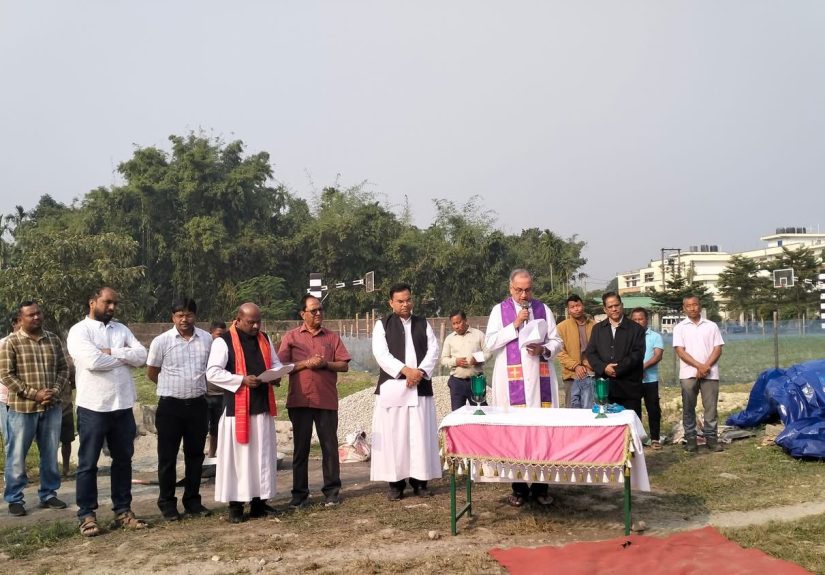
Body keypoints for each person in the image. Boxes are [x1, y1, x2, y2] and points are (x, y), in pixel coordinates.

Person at [67, 287, 149, 537]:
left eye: (115, 303)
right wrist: (126, 358)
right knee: (88, 463)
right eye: (107, 302)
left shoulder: (121, 329)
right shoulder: (79, 331)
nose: (112, 307)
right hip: (93, 405)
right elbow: (92, 362)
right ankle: (87, 515)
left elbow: (142, 355)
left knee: (123, 460)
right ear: (92, 302)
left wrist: (113, 352)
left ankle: (123, 510)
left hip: (122, 405)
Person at [485, 269, 563, 507]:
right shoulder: (499, 311)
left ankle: (541, 487)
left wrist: (544, 350)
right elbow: (489, 343)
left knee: (541, 433)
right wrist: (514, 325)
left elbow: (557, 341)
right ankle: (518, 488)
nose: (523, 294)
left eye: (528, 289)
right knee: (515, 433)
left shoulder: (543, 309)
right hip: (510, 383)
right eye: (519, 290)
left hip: (541, 381)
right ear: (510, 288)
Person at [206, 302, 285, 523]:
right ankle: (236, 507)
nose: (256, 326)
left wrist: (276, 375)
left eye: (259, 321)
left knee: (262, 457)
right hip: (237, 410)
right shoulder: (224, 341)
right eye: (251, 322)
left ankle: (259, 503)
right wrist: (241, 379)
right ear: (238, 319)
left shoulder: (264, 339)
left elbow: (275, 363)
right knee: (238, 460)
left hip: (262, 408)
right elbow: (212, 373)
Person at [277, 294, 351, 509]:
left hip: (325, 400)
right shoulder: (291, 337)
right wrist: (306, 364)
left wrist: (325, 364)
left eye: (320, 309)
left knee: (329, 447)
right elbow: (282, 367)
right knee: (301, 449)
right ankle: (299, 494)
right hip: (299, 400)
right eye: (313, 310)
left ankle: (331, 492)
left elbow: (344, 365)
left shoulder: (331, 337)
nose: (318, 313)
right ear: (302, 314)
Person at [370, 283, 441, 501]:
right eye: (400, 301)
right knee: (396, 436)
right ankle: (396, 484)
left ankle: (420, 482)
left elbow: (434, 350)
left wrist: (419, 372)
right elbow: (381, 354)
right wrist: (405, 371)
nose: (405, 304)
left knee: (420, 435)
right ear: (391, 303)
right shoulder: (382, 325)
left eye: (408, 299)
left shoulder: (423, 323)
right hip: (394, 387)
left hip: (419, 386)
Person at [0, 301, 71, 517]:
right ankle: (14, 498)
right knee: (17, 455)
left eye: (39, 313)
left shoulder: (53, 339)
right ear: (20, 319)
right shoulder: (11, 342)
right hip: (22, 408)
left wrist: (54, 391)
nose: (36, 318)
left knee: (50, 453)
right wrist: (35, 394)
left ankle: (48, 494)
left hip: (51, 407)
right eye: (31, 315)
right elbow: (6, 375)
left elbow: (63, 368)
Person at [146, 298, 213, 521]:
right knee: (167, 457)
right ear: (172, 317)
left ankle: (192, 501)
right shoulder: (161, 341)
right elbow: (152, 372)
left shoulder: (206, 339)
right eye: (179, 315)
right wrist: (172, 387)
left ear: (195, 315)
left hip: (197, 405)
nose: (184, 319)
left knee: (195, 456)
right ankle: (167, 503)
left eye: (188, 314)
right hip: (170, 406)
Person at [673, 295, 725, 453]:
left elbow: (718, 348)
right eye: (688, 306)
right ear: (684, 308)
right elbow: (680, 351)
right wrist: (698, 366)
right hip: (688, 374)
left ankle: (711, 439)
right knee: (689, 407)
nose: (692, 308)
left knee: (710, 408)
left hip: (710, 373)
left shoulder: (711, 326)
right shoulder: (679, 327)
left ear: (699, 306)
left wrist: (706, 366)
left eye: (695, 305)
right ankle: (690, 439)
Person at [585, 292, 645, 419]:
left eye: (616, 305)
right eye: (610, 307)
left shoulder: (636, 329)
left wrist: (617, 369)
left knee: (629, 428)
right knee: (606, 428)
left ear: (622, 305)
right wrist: (604, 367)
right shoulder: (598, 329)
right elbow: (591, 353)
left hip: (629, 389)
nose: (614, 309)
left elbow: (637, 354)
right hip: (605, 389)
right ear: (605, 309)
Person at [440, 310, 489, 411]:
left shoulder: (478, 334)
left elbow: (489, 352)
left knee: (480, 412)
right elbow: (443, 359)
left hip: (476, 381)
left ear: (465, 320)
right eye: (454, 324)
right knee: (457, 414)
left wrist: (478, 359)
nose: (457, 326)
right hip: (457, 382)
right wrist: (455, 362)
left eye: (459, 322)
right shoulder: (449, 339)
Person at [630, 307, 664, 449]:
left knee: (653, 409)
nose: (638, 322)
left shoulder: (655, 336)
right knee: (634, 410)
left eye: (641, 319)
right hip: (633, 380)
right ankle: (637, 438)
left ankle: (655, 438)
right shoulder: (628, 337)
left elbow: (658, 355)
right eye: (635, 319)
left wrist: (642, 367)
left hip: (650, 380)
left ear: (647, 320)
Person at [556, 294, 596, 409]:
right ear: (568, 310)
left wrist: (593, 364)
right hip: (572, 375)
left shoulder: (595, 325)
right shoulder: (561, 327)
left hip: (592, 372)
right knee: (572, 410)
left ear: (583, 306)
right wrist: (576, 366)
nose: (576, 309)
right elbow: (560, 352)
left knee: (592, 408)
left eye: (578, 305)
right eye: (572, 307)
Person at [205, 321, 227, 460]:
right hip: (205, 394)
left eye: (224, 335)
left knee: (217, 428)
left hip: (221, 395)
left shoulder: (226, 349)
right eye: (219, 335)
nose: (221, 338)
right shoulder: (206, 349)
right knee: (201, 427)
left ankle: (213, 455)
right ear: (211, 333)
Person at [0, 312, 21, 444]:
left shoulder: (29, 343)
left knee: (22, 439)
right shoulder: (3, 343)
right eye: (21, 320)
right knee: (10, 439)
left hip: (25, 398)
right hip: (6, 398)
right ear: (14, 324)